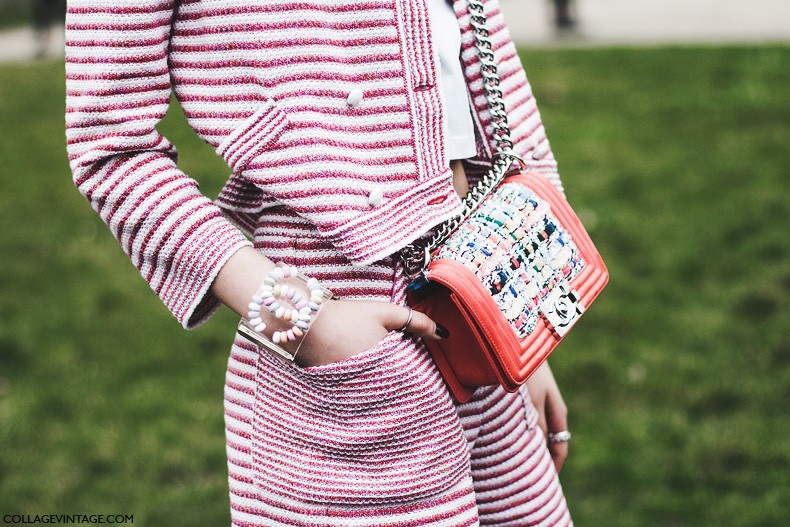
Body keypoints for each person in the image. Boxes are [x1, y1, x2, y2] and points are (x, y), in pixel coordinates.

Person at [65, 0, 573, 524]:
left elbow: (483, 77)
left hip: (483, 314)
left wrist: (525, 326)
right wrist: (303, 320)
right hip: (336, 352)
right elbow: (109, 148)